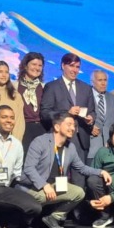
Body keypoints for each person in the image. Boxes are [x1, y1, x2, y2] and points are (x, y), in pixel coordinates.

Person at [18, 112, 111, 228]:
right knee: (41, 198)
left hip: (54, 186)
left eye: (74, 125)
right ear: (57, 127)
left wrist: (100, 172)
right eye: (69, 124)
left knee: (79, 192)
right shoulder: (40, 142)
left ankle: (53, 218)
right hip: (33, 187)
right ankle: (25, 220)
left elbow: (81, 168)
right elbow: (29, 168)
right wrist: (44, 185)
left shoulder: (70, 147)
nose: (73, 128)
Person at [40, 53, 95, 188]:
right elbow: (45, 113)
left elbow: (92, 111)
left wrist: (91, 119)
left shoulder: (86, 88)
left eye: (77, 67)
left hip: (80, 138)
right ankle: (61, 208)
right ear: (63, 66)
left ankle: (78, 208)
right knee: (60, 178)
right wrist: (67, 113)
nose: (75, 70)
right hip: (60, 139)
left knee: (79, 180)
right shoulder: (52, 86)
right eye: (71, 66)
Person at [87, 69, 114, 165]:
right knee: (92, 179)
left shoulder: (113, 98)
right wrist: (89, 128)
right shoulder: (85, 96)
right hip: (91, 148)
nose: (103, 83)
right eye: (100, 80)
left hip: (110, 149)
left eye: (105, 80)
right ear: (92, 82)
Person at [16, 52, 46, 151]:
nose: (37, 68)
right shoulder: (14, 87)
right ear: (25, 66)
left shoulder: (44, 87)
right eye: (34, 64)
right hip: (22, 129)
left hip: (41, 129)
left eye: (40, 65)